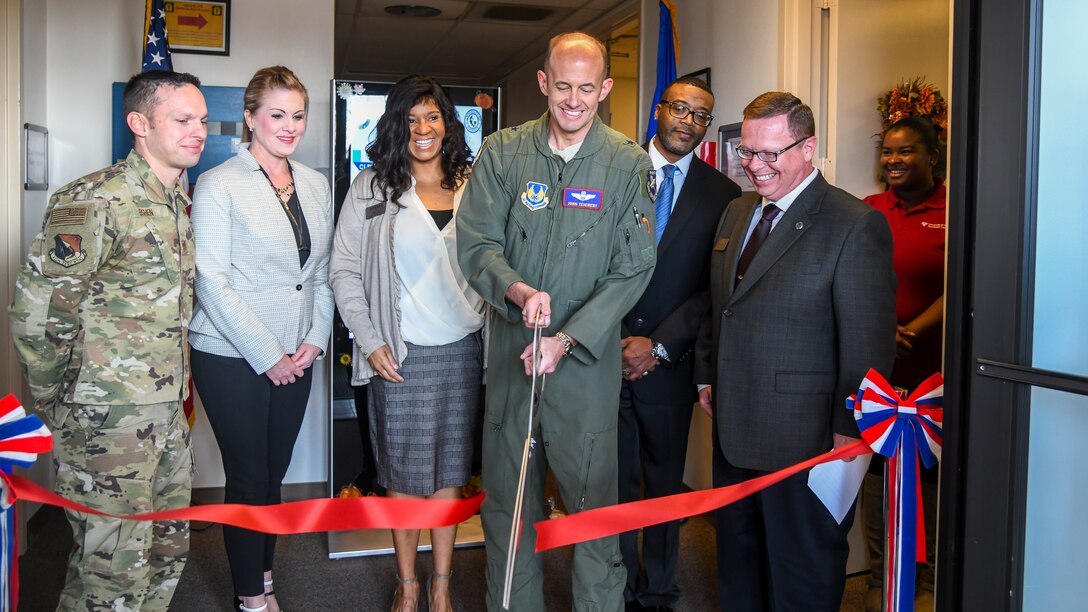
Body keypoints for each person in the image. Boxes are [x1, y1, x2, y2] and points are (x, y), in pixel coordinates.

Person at [457, 31, 657, 611]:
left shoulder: (626, 163)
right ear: (543, 83)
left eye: (587, 89)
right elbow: (475, 244)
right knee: (508, 510)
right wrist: (516, 290)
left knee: (594, 515)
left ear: (605, 89)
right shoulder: (502, 152)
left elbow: (633, 268)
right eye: (562, 86)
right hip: (514, 361)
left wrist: (567, 339)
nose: (573, 100)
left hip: (584, 370)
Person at [8, 70, 206, 611]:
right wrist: (56, 401)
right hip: (105, 417)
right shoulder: (96, 200)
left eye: (203, 120)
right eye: (183, 120)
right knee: (109, 569)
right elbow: (40, 316)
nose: (198, 132)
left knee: (165, 550)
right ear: (139, 123)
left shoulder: (174, 202)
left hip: (165, 411)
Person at [692, 91, 897, 612]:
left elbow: (868, 345)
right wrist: (705, 374)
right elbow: (722, 306)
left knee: (799, 575)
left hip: (807, 443)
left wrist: (849, 440)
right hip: (734, 428)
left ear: (808, 148)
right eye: (747, 152)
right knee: (739, 566)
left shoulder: (852, 224)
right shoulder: (737, 212)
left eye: (770, 154)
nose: (755, 167)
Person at [329, 74, 485, 612]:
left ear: (448, 123)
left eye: (433, 116)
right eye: (411, 119)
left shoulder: (475, 182)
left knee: (450, 471)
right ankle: (408, 583)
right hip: (398, 352)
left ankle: (441, 582)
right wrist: (368, 340)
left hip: (462, 349)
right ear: (397, 125)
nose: (423, 129)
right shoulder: (373, 186)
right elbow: (344, 270)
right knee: (400, 472)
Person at [188, 66, 333, 612]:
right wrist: (268, 354)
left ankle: (264, 576)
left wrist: (315, 340)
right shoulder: (219, 183)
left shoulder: (315, 185)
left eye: (298, 115)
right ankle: (250, 598)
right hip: (231, 355)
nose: (289, 126)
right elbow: (212, 281)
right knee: (248, 476)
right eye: (277, 114)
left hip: (299, 354)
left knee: (274, 474)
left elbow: (318, 275)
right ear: (250, 118)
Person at [617, 76, 740, 612]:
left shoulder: (725, 195)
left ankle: (659, 588)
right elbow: (582, 261)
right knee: (611, 484)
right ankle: (613, 586)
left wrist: (658, 345)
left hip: (669, 365)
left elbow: (714, 288)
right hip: (603, 356)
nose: (688, 121)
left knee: (664, 485)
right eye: (680, 109)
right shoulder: (612, 171)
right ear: (658, 110)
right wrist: (615, 338)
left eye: (701, 115)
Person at [860, 115, 946, 612]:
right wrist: (879, 333)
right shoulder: (869, 210)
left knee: (928, 478)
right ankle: (880, 575)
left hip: (932, 375)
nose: (893, 160)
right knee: (877, 475)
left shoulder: (954, 207)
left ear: (932, 156)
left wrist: (912, 332)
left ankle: (929, 582)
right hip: (879, 376)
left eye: (906, 151)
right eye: (887, 152)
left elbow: (960, 283)